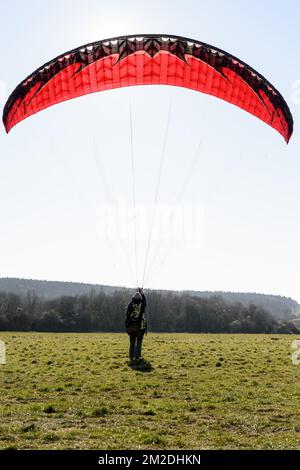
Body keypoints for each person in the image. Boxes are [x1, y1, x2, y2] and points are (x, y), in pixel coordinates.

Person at [125, 287, 147, 361]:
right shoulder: (142, 305)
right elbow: (145, 302)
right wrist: (142, 293)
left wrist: (137, 292)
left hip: (131, 326)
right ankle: (137, 356)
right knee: (139, 341)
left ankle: (131, 356)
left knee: (132, 341)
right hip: (139, 326)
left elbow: (127, 314)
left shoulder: (130, 304)